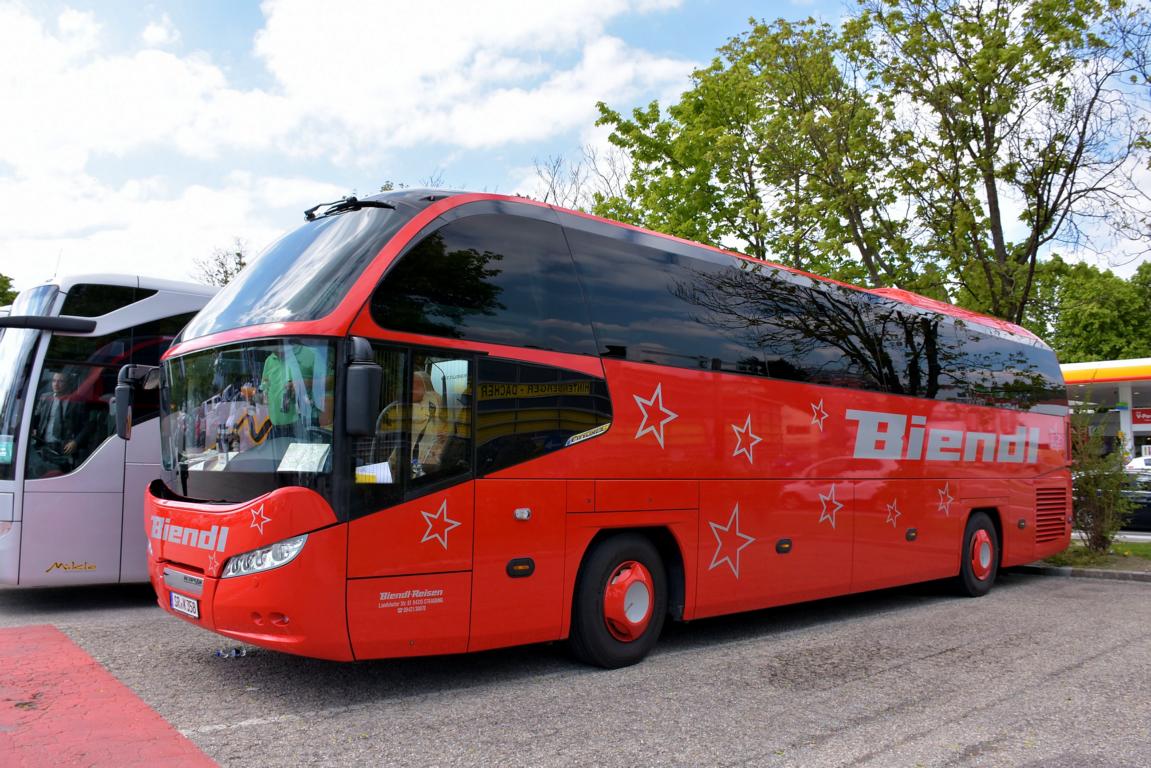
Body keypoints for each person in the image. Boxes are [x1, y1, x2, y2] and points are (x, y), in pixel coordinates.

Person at [29, 370, 90, 477]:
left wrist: (76, 442)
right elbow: (35, 418)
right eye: (54, 381)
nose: (56, 384)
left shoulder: (76, 402)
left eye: (60, 381)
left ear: (67, 383)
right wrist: (32, 429)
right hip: (44, 447)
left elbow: (87, 426)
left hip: (64, 450)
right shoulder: (45, 398)